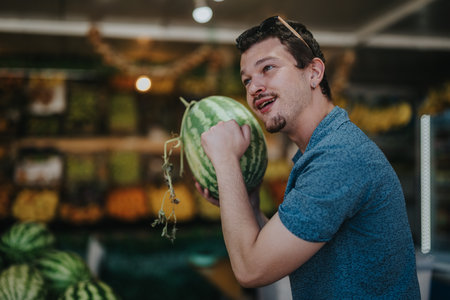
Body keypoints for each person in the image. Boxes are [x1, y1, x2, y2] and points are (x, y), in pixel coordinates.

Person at [196, 16, 420, 299]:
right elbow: (282, 247)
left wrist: (226, 160)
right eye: (247, 80)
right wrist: (247, 200)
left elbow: (251, 270)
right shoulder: (320, 151)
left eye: (268, 68)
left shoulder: (339, 158)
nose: (253, 88)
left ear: (314, 73)